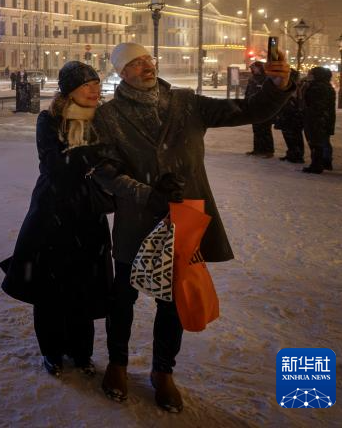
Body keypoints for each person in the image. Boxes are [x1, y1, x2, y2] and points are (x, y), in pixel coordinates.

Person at [92, 42, 294, 413]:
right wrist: (146, 193)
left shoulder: (186, 103)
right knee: (123, 297)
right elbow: (104, 171)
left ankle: (162, 371)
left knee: (173, 299)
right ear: (121, 73)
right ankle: (118, 364)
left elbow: (248, 110)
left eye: (148, 59)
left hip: (184, 216)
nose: (146, 65)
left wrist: (277, 86)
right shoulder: (108, 116)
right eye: (135, 63)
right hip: (137, 218)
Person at [0, 62, 114, 377]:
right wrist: (93, 154)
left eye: (96, 83)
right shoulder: (49, 120)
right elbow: (55, 168)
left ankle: (81, 352)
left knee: (84, 284)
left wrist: (88, 158)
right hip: (52, 214)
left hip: (88, 214)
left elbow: (113, 162)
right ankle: (51, 351)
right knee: (50, 287)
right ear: (69, 90)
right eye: (87, 85)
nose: (94, 90)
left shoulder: (104, 120)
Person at [300, 67, 335, 174]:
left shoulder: (318, 87)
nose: (309, 75)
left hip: (317, 119)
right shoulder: (324, 86)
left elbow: (312, 103)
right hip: (321, 118)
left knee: (316, 142)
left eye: (311, 74)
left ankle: (317, 165)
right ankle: (323, 162)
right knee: (321, 141)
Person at [245, 62, 275, 157]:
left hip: (264, 108)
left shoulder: (266, 78)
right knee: (256, 129)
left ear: (260, 68)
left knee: (265, 130)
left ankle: (268, 150)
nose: (254, 69)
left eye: (255, 68)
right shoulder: (252, 79)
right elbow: (248, 92)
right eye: (253, 68)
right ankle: (257, 149)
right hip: (254, 107)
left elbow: (270, 93)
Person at [274, 83, 305, 163]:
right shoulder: (287, 86)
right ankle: (292, 153)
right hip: (287, 115)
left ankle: (297, 155)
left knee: (295, 136)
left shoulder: (294, 87)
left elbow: (298, 101)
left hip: (292, 116)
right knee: (289, 136)